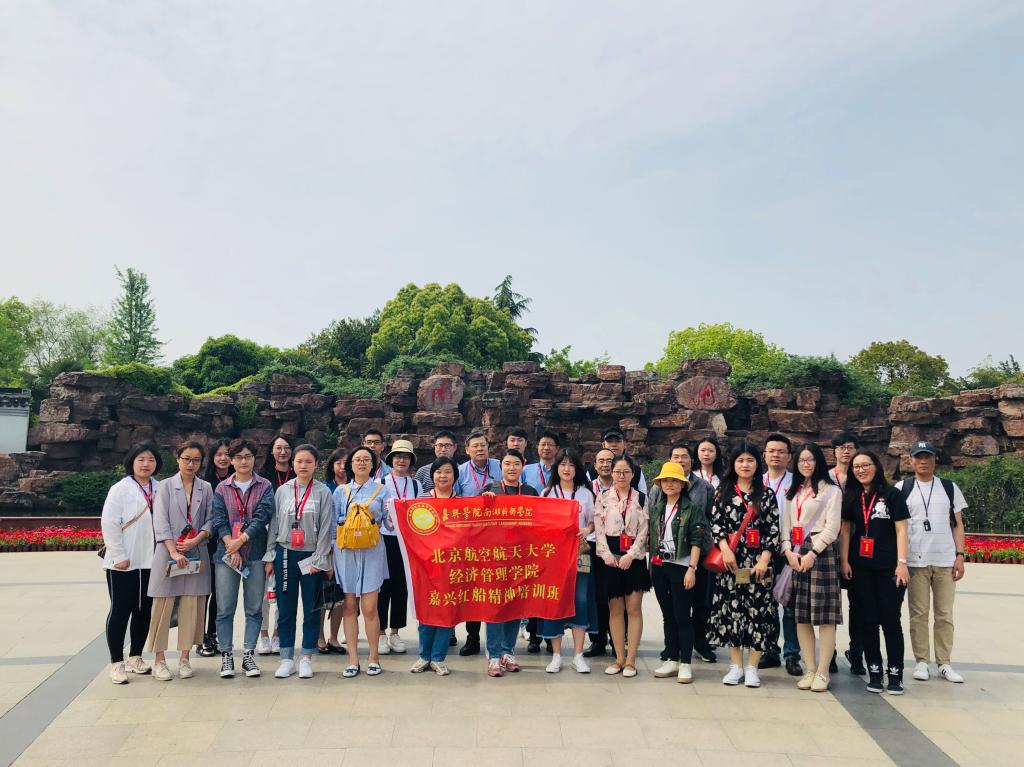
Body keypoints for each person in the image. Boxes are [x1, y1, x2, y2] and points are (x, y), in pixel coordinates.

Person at [707, 442, 780, 688]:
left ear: (757, 464)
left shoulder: (766, 494)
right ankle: (736, 666)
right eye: (740, 460)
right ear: (733, 464)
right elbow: (716, 524)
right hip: (731, 563)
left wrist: (764, 560)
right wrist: (725, 550)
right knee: (732, 612)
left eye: (750, 460)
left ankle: (752, 668)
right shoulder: (723, 491)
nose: (745, 465)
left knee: (758, 613)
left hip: (758, 564)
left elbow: (773, 529)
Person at [896, 441, 968, 685]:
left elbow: (958, 524)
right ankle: (921, 661)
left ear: (935, 459)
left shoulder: (949, 487)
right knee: (918, 614)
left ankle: (944, 662)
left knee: (944, 614)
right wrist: (900, 561)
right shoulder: (902, 488)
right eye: (919, 457)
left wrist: (960, 555)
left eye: (928, 456)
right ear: (911, 460)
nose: (923, 461)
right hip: (916, 561)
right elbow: (897, 527)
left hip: (945, 560)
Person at [840, 450, 911, 694]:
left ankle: (895, 674)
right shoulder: (851, 496)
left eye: (865, 465)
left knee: (890, 620)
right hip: (861, 568)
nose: (861, 470)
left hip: (889, 567)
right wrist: (844, 561)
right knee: (868, 620)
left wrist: (902, 562)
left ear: (876, 466)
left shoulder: (892, 494)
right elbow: (845, 530)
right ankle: (875, 672)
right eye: (856, 467)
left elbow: (902, 530)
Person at [263, 444, 336, 679]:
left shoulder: (323, 492)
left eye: (308, 462)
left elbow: (327, 527)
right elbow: (274, 524)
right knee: (285, 608)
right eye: (299, 461)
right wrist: (270, 555)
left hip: (312, 556)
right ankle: (286, 658)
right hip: (285, 553)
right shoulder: (282, 490)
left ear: (316, 465)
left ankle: (306, 657)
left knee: (311, 608)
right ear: (292, 464)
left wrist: (320, 559)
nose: (303, 466)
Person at [146, 441, 214, 681]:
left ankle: (185, 658)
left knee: (191, 605)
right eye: (187, 458)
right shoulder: (164, 486)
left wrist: (197, 539)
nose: (191, 464)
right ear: (178, 459)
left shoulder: (206, 488)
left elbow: (211, 519)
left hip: (196, 552)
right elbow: (160, 521)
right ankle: (159, 660)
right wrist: (174, 551)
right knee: (163, 606)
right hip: (168, 553)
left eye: (196, 460)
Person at [212, 438, 275, 679]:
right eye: (238, 457)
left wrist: (241, 541)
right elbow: (219, 519)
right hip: (227, 557)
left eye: (248, 456)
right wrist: (232, 545)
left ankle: (248, 654)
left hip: (255, 554)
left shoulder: (265, 485)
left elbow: (262, 517)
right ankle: (227, 655)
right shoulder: (222, 488)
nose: (243, 461)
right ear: (231, 460)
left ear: (254, 459)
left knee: (254, 608)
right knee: (225, 609)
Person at [781, 443, 842, 692]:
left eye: (810, 459)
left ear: (819, 462)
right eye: (801, 460)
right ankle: (810, 669)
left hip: (821, 554)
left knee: (825, 616)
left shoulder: (832, 490)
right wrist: (787, 551)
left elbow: (832, 527)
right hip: (795, 553)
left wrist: (813, 553)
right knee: (801, 615)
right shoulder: (793, 491)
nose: (806, 464)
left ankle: (823, 672)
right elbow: (785, 525)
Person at [648, 444, 716, 663]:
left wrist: (692, 567)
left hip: (690, 559)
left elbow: (706, 522)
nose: (680, 460)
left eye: (684, 456)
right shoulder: (657, 499)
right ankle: (672, 651)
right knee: (669, 613)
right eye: (675, 456)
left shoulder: (703, 489)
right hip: (661, 562)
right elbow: (652, 525)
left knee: (693, 607)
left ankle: (693, 649)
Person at [102, 442, 160, 684]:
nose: (146, 464)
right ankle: (116, 662)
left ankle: (135, 656)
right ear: (131, 462)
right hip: (124, 562)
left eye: (151, 459)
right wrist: (118, 554)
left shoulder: (160, 488)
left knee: (144, 610)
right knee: (120, 610)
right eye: (141, 459)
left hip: (151, 561)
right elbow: (109, 523)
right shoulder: (120, 489)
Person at [481, 450, 539, 677]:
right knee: (495, 607)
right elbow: (476, 523)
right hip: (495, 558)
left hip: (521, 557)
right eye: (507, 464)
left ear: (523, 465)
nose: (512, 468)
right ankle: (494, 655)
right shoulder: (490, 489)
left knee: (515, 606)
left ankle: (508, 651)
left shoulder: (530, 492)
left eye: (516, 464)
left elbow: (541, 521)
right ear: (500, 467)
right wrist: (484, 503)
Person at [538, 449, 597, 674]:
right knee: (555, 600)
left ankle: (578, 655)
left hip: (580, 553)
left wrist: (587, 529)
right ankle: (556, 655)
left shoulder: (585, 493)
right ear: (557, 468)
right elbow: (540, 523)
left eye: (571, 465)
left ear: (577, 469)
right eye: (562, 464)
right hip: (554, 556)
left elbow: (593, 521)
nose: (566, 469)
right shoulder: (547, 493)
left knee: (580, 599)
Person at [333, 446, 388, 678]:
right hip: (346, 552)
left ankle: (374, 657)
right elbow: (333, 525)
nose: (362, 463)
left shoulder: (383, 490)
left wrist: (390, 514)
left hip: (372, 551)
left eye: (367, 459)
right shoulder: (341, 491)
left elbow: (390, 523)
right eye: (357, 459)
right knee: (349, 606)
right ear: (351, 465)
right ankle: (353, 659)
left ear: (373, 464)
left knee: (370, 607)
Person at [594, 455, 650, 678]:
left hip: (634, 558)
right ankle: (619, 658)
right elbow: (599, 530)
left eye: (626, 471)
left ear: (633, 474)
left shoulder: (641, 498)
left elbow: (645, 531)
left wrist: (631, 554)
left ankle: (631, 660)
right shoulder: (603, 497)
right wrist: (607, 554)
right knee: (615, 609)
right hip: (610, 558)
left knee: (633, 609)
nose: (621, 475)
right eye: (617, 471)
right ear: (612, 473)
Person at [410, 456, 461, 676]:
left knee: (447, 611)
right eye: (439, 472)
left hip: (451, 566)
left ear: (455, 476)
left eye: (448, 471)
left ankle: (438, 657)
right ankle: (424, 656)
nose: (443, 476)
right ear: (432, 476)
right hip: (425, 565)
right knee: (426, 610)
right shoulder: (421, 500)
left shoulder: (462, 504)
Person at [456, 430, 501, 657]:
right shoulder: (460, 471)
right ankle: (472, 638)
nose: (480, 449)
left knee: (496, 588)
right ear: (467, 450)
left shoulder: (501, 466)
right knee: (473, 589)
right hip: (471, 538)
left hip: (498, 537)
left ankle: (497, 642)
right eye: (475, 446)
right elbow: (454, 502)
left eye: (483, 445)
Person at [760, 433, 802, 676]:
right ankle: (770, 650)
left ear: (789, 456)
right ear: (764, 455)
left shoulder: (798, 483)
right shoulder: (757, 481)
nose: (776, 455)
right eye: (771, 451)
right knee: (766, 602)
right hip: (763, 551)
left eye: (781, 451)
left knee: (789, 603)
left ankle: (792, 654)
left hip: (790, 550)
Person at [378, 439, 420, 656]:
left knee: (401, 587)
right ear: (391, 459)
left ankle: (395, 632)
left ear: (411, 461)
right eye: (397, 456)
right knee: (382, 587)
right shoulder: (381, 482)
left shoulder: (416, 485)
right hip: (384, 539)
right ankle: (380, 633)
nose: (401, 460)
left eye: (405, 457)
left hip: (407, 541)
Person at [831, 432, 865, 675]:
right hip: (827, 546)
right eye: (841, 447)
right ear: (834, 451)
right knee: (831, 603)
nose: (846, 451)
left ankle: (856, 653)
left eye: (850, 447)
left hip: (857, 547)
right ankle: (829, 653)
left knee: (859, 603)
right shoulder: (825, 477)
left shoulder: (862, 478)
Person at [257, 433, 294, 655]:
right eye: (278, 447)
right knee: (263, 591)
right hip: (264, 539)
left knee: (284, 589)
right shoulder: (263, 478)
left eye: (287, 447)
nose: (283, 452)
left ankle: (278, 633)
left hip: (290, 540)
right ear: (271, 450)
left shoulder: (297, 475)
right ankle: (263, 635)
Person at [198, 438, 233, 657]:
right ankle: (200, 637)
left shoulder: (237, 480)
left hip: (230, 543)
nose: (223, 458)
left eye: (227, 454)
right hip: (208, 542)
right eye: (219, 454)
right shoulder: (204, 483)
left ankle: (213, 634)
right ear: (212, 457)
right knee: (205, 592)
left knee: (221, 594)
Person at [584, 447, 616, 658]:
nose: (605, 464)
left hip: (615, 546)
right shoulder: (588, 488)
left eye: (609, 461)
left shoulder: (623, 487)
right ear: (595, 465)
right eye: (601, 461)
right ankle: (597, 640)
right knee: (595, 595)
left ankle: (617, 639)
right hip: (592, 546)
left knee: (615, 595)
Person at [319, 447, 348, 654]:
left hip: (349, 548)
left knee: (341, 596)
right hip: (327, 546)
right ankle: (319, 637)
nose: (342, 467)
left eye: (346, 462)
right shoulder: (324, 488)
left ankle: (334, 637)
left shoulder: (356, 487)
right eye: (338, 463)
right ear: (331, 465)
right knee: (324, 594)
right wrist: (328, 547)